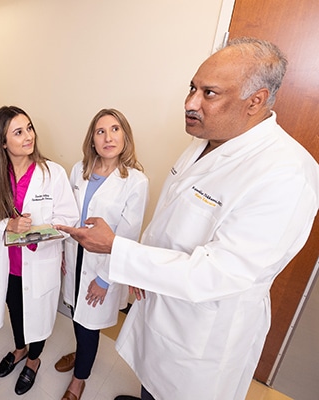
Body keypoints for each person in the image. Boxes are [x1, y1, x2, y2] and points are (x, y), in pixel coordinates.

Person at [58, 37, 319, 400]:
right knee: (151, 381)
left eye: (208, 93)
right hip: (161, 301)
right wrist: (139, 267)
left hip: (201, 333)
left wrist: (122, 253)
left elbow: (219, 273)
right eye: (192, 88)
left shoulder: (287, 175)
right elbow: (173, 216)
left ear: (255, 101)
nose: (190, 103)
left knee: (175, 390)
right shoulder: (205, 141)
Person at [0, 106, 79, 395]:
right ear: (3, 142)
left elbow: (69, 219)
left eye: (29, 128)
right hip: (8, 264)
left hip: (40, 261)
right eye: (18, 132)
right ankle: (19, 350)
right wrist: (7, 225)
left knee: (40, 316)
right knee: (16, 312)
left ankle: (33, 361)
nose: (28, 136)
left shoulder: (52, 173)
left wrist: (36, 232)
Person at [55, 108, 149, 400]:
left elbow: (128, 236)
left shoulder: (135, 181)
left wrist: (105, 280)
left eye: (115, 129)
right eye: (100, 131)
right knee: (75, 314)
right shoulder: (78, 170)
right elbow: (68, 215)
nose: (108, 137)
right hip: (74, 257)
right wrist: (61, 251)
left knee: (88, 323)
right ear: (92, 140)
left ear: (125, 136)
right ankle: (82, 352)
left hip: (102, 266)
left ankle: (79, 379)